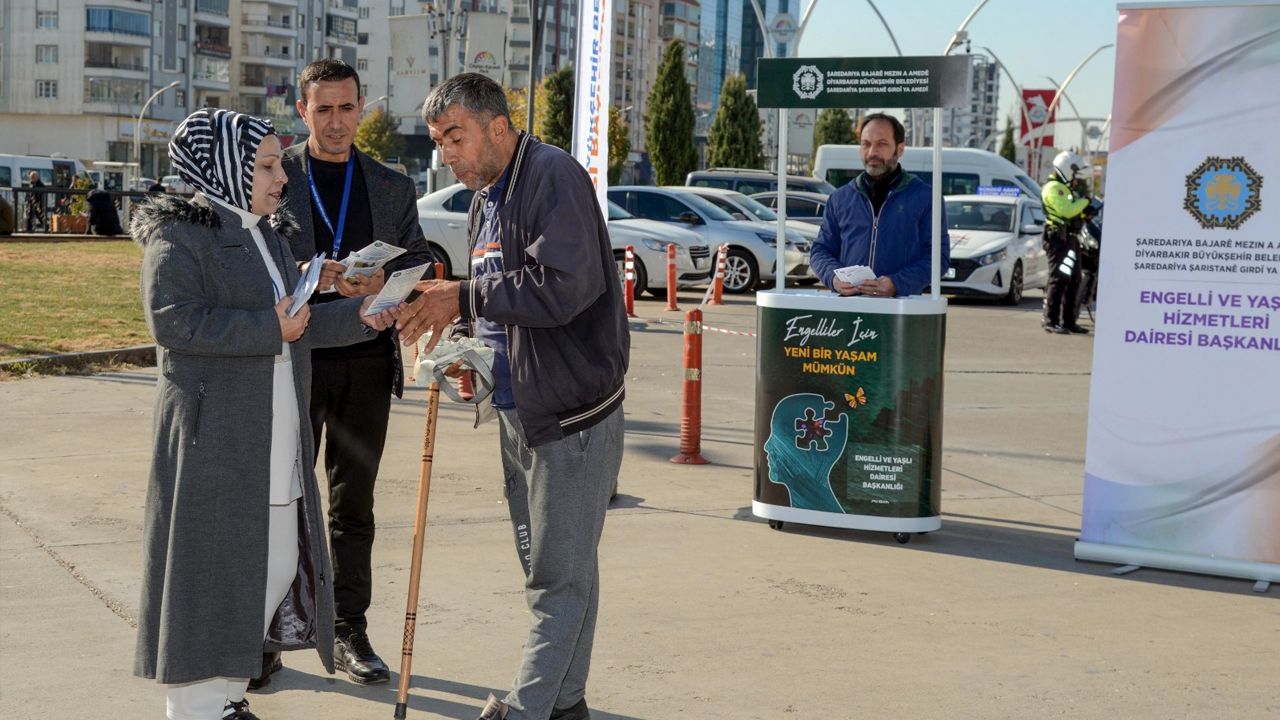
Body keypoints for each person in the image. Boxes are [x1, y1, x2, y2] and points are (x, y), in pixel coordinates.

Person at [132, 108, 397, 720]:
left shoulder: (268, 234)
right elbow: (173, 322)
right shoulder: (181, 234)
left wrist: (361, 316)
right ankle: (196, 707)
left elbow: (295, 324)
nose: (282, 178)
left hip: (276, 430)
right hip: (215, 437)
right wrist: (267, 327)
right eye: (268, 166)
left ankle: (228, 698)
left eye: (279, 164)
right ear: (225, 169)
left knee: (273, 566)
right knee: (209, 577)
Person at [395, 72, 629, 720]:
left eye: (456, 137)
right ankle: (566, 703)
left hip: (571, 417)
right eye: (439, 142)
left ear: (498, 127)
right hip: (517, 409)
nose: (446, 154)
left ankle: (527, 710)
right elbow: (496, 307)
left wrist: (462, 296)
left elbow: (562, 287)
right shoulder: (483, 201)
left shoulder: (553, 176)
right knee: (562, 571)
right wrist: (468, 352)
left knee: (557, 580)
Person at [267, 57, 433, 688]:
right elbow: (258, 262)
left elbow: (419, 259)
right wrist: (311, 274)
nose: (336, 122)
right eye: (323, 109)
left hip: (365, 363)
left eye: (346, 108)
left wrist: (386, 279)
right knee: (282, 499)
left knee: (352, 506)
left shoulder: (391, 185)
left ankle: (348, 629)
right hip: (296, 362)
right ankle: (269, 633)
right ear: (302, 111)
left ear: (363, 108)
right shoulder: (276, 176)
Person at [809, 112, 949, 297]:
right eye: (866, 144)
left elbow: (938, 258)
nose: (872, 152)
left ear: (899, 149)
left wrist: (897, 284)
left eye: (882, 144)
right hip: (849, 306)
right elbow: (821, 250)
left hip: (901, 307)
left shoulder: (925, 197)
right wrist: (833, 278)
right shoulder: (840, 198)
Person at [1041, 150, 1091, 334]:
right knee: (1058, 279)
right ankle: (1051, 321)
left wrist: (1086, 213)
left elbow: (1073, 213)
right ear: (1068, 170)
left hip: (1070, 239)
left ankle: (1069, 321)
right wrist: (1086, 202)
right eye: (1075, 174)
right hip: (1058, 239)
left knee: (1074, 280)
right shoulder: (1054, 188)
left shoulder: (1065, 189)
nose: (1077, 179)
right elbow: (1067, 210)